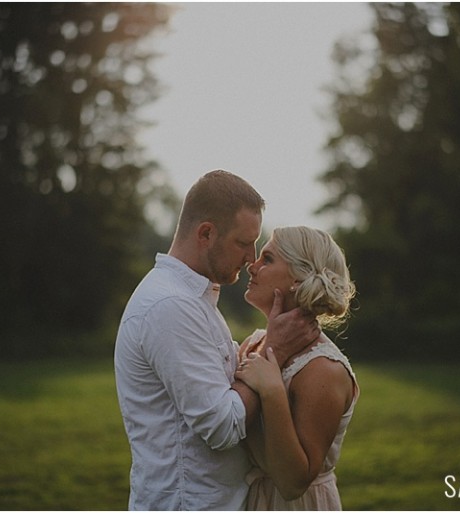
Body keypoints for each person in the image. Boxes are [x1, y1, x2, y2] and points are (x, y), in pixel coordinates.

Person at [114, 170, 320, 511]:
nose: (251, 258)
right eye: (243, 243)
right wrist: (277, 350)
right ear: (206, 233)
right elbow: (223, 426)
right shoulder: (171, 306)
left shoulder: (193, 300)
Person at [235, 226, 359, 510]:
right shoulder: (252, 344)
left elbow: (293, 483)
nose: (251, 267)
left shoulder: (324, 369)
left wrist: (272, 388)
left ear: (297, 279)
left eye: (267, 259)